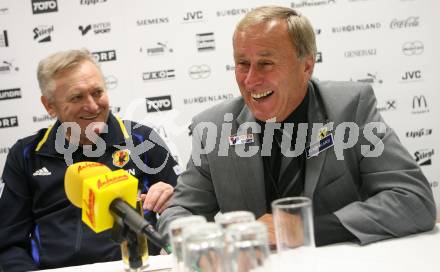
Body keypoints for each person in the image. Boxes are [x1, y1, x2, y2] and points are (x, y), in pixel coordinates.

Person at [158, 6, 436, 247]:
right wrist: (203, 245)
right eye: (243, 64)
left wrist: (303, 229)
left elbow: (414, 201)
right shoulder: (215, 128)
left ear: (307, 66)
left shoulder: (351, 109)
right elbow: (179, 212)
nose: (251, 79)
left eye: (266, 63)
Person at [0, 49, 179, 271]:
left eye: (97, 92)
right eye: (77, 97)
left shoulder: (143, 140)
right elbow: (8, 245)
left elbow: (186, 211)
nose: (93, 106)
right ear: (49, 105)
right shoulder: (26, 154)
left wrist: (173, 196)